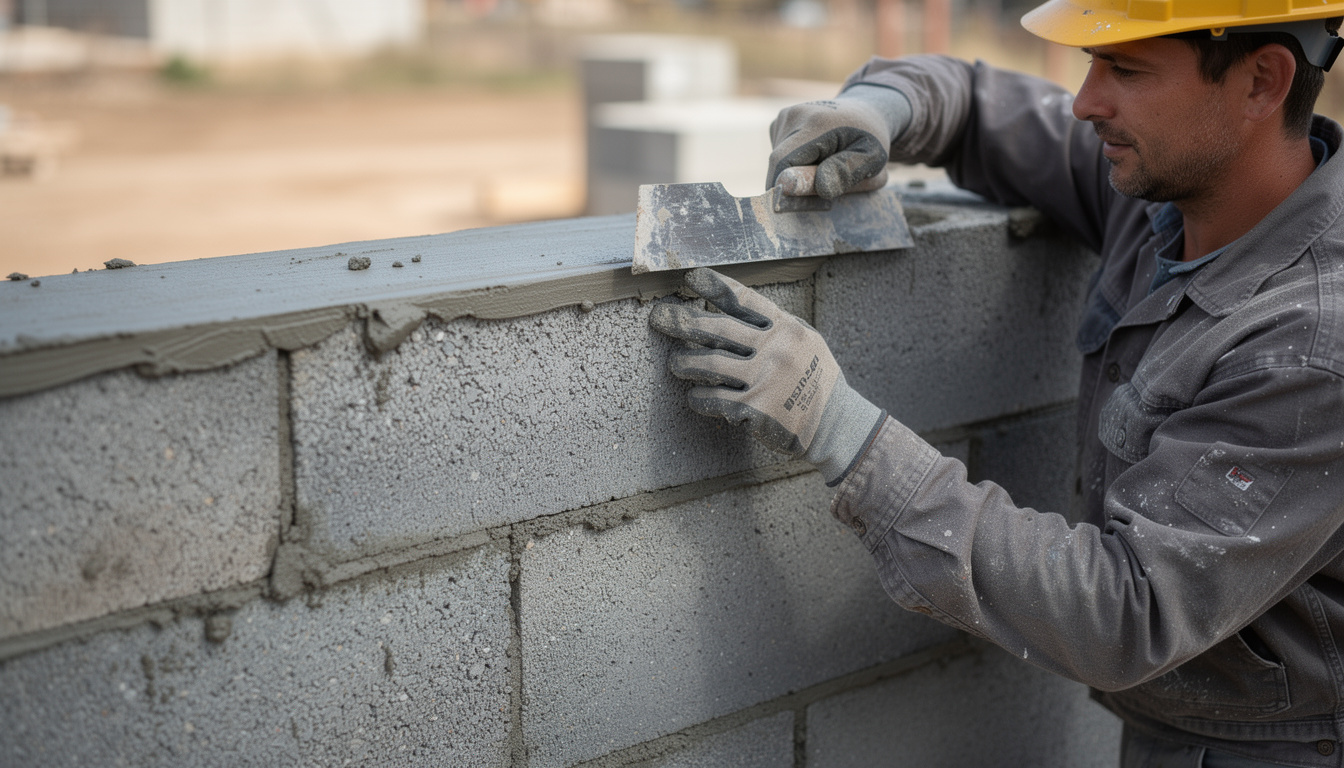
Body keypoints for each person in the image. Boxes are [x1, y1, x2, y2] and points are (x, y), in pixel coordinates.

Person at [647, 0, 1344, 765]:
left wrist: (838, 427)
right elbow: (982, 105)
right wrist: (876, 111)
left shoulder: (1309, 346)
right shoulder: (1176, 194)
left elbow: (1127, 613)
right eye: (1090, 62)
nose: (1086, 101)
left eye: (1128, 69)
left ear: (1262, 81)